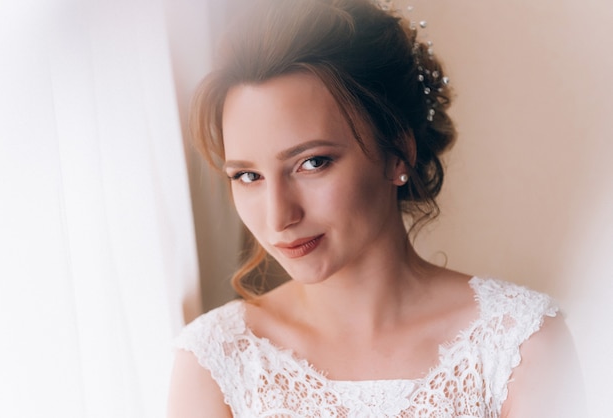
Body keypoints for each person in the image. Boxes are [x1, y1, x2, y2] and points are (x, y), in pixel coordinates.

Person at [167, 0, 584, 416]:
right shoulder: (214, 360)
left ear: (397, 153)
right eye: (247, 176)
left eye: (312, 163)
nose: (279, 217)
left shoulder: (522, 343)